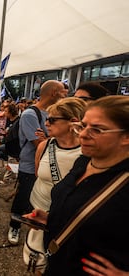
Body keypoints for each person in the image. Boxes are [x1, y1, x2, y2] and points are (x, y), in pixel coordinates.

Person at [23, 95, 129, 275]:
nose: (83, 134)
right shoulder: (84, 161)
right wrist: (51, 219)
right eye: (82, 126)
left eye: (97, 130)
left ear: (125, 136)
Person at [24, 97, 86, 274]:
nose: (46, 123)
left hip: (65, 216)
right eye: (46, 119)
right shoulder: (44, 145)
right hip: (37, 206)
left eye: (52, 120)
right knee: (36, 254)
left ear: (72, 121)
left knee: (59, 257)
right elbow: (38, 174)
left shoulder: (86, 151)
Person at [8, 80, 65, 245]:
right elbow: (39, 144)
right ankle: (15, 226)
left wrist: (48, 138)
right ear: (53, 92)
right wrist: (54, 138)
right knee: (23, 197)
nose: (65, 95)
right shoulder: (30, 114)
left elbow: (52, 141)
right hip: (30, 165)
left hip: (51, 165)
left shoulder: (53, 112)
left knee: (43, 200)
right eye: (63, 92)